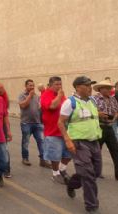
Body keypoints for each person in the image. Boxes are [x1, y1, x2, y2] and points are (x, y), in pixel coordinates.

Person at [58, 76, 101, 214]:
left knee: (96, 172)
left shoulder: (92, 100)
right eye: (87, 85)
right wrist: (67, 140)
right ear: (77, 87)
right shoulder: (70, 102)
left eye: (90, 85)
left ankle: (72, 183)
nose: (90, 88)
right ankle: (92, 206)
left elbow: (92, 117)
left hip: (94, 141)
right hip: (79, 143)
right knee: (88, 175)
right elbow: (60, 122)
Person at [40, 76, 71, 184]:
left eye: (60, 84)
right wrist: (59, 96)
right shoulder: (45, 95)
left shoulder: (62, 95)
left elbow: (67, 107)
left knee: (69, 153)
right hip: (52, 131)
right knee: (55, 155)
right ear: (50, 85)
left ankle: (62, 169)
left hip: (65, 130)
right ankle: (55, 173)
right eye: (56, 84)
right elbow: (52, 106)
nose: (59, 86)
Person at [18, 79, 50, 168]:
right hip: (26, 123)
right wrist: (29, 96)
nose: (32, 87)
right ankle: (25, 158)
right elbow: (23, 105)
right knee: (25, 142)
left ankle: (43, 160)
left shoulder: (37, 96)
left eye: (33, 85)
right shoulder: (22, 95)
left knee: (41, 141)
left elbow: (39, 108)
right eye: (30, 85)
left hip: (37, 123)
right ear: (26, 86)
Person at [92, 80, 118, 180]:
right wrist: (99, 114)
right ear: (100, 89)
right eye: (106, 88)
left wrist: (114, 118)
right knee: (97, 152)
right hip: (99, 127)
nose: (109, 90)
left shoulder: (112, 99)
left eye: (110, 88)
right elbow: (91, 111)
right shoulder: (94, 99)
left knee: (115, 150)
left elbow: (116, 110)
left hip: (109, 127)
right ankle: (96, 171)